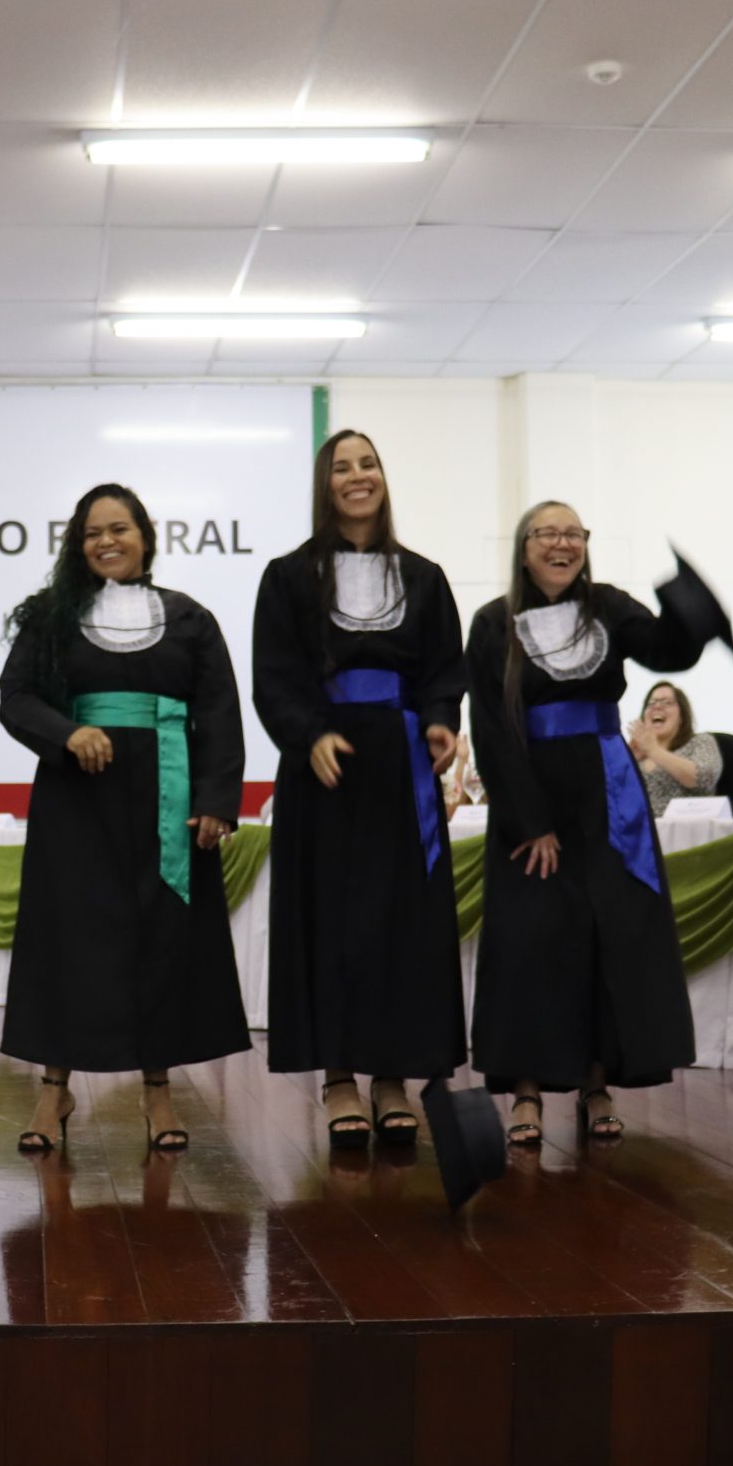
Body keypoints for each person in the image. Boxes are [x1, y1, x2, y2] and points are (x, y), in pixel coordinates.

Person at [464, 501, 732, 1146]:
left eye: (574, 534)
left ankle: (596, 1083)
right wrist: (529, 821)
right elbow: (491, 728)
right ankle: (526, 1091)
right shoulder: (493, 622)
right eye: (548, 534)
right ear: (524, 547)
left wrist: (687, 601)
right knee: (530, 941)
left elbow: (669, 650)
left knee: (606, 936)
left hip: (609, 794)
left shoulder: (608, 606)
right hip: (531, 793)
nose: (563, 544)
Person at [0, 483, 248, 1155]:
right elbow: (15, 697)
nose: (106, 541)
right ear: (77, 546)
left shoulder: (190, 618)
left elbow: (219, 709)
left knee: (163, 940)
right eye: (92, 533)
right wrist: (67, 732)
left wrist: (216, 800)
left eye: (119, 528)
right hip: (77, 801)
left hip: (169, 796)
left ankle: (158, 1091)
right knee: (68, 939)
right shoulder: (53, 617)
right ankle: (54, 1088)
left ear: (145, 535)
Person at [252, 430, 466, 1149]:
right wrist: (307, 733)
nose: (357, 476)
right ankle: (339, 1074)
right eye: (341, 467)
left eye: (367, 463)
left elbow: (444, 668)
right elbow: (274, 674)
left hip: (401, 765)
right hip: (326, 766)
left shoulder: (425, 577)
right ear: (324, 484)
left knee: (400, 921)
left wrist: (440, 721)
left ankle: (392, 1076)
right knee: (332, 918)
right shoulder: (288, 577)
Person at [626, 680, 720, 817]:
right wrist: (628, 760)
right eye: (651, 703)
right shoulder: (636, 754)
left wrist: (654, 751)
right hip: (639, 828)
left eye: (667, 703)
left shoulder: (700, 742)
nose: (657, 706)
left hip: (687, 826)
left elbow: (703, 777)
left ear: (682, 716)